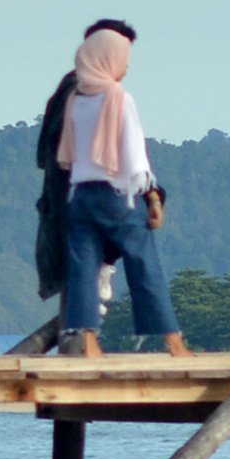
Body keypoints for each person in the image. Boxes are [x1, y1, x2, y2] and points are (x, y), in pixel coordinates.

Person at [56, 26, 185, 358]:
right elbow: (134, 157)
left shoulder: (76, 99)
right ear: (109, 59)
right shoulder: (119, 97)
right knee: (145, 265)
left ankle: (88, 343)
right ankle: (173, 342)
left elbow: (69, 154)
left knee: (84, 269)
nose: (126, 67)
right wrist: (153, 198)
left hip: (80, 196)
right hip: (117, 194)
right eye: (123, 59)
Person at [33, 16, 137, 309]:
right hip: (79, 204)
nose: (125, 64)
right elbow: (52, 158)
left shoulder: (84, 92)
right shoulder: (81, 93)